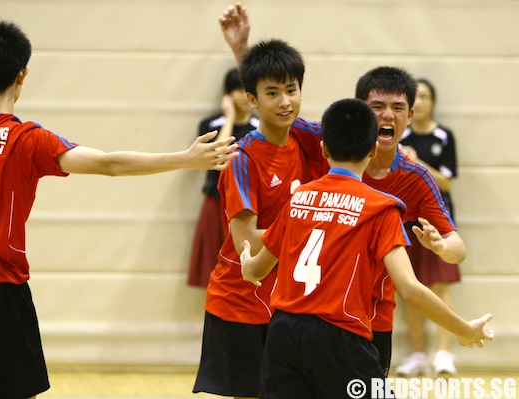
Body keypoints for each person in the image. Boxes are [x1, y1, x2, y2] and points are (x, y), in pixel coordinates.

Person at [0, 21, 239, 399]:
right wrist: (184, 159)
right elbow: (109, 163)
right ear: (23, 75)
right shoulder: (28, 140)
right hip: (1, 294)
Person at [219, 2, 467, 377]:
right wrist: (242, 53)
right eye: (376, 107)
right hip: (313, 311)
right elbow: (273, 103)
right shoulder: (335, 141)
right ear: (359, 112)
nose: (386, 115)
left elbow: (456, 249)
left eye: (397, 107)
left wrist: (439, 246)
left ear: (410, 116)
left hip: (371, 316)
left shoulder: (415, 177)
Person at [239, 97, 493, 399]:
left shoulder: (298, 198)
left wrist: (244, 260)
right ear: (373, 150)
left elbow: (256, 269)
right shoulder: (382, 208)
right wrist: (463, 329)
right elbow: (409, 288)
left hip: (282, 335)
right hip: (340, 338)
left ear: (323, 149)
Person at [193, 39, 320, 399]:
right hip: (242, 303)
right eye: (273, 93)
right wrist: (311, 230)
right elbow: (246, 242)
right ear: (252, 100)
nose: (285, 102)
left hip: (291, 303)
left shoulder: (306, 139)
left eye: (292, 90)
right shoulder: (242, 159)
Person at [396, 78, 461, 376]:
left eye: (425, 96)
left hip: (436, 222)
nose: (419, 102)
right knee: (410, 287)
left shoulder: (444, 136)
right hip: (406, 220)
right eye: (415, 97)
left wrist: (418, 162)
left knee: (439, 286)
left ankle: (444, 354)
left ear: (433, 102)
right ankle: (419, 354)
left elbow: (446, 181)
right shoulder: (399, 136)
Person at [188, 67, 259, 288]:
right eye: (238, 89)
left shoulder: (260, 128)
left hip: (246, 208)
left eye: (247, 90)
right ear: (228, 94)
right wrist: (229, 118)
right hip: (215, 203)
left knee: (246, 269)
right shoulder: (210, 126)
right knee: (214, 269)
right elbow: (218, 159)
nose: (243, 96)